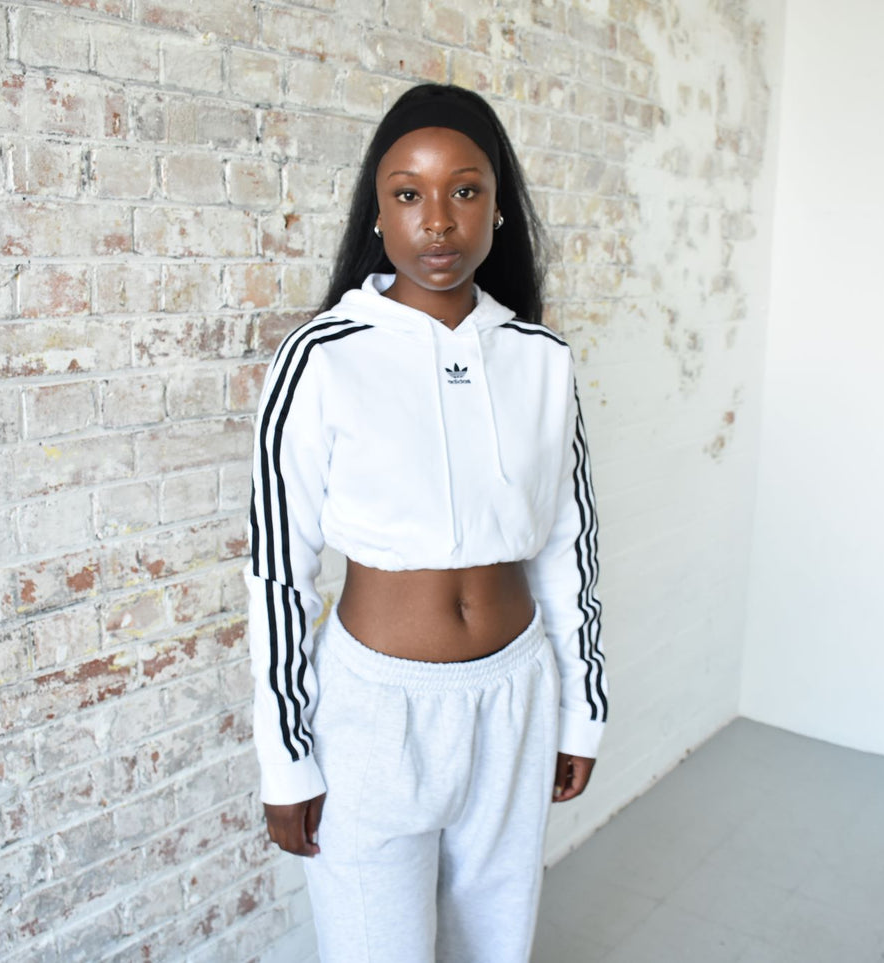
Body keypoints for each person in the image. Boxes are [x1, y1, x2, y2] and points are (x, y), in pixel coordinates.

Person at [244, 83, 607, 962]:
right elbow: (277, 572)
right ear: (376, 212)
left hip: (516, 698)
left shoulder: (540, 360)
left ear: (499, 210)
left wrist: (582, 709)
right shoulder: (321, 358)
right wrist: (286, 756)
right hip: (374, 713)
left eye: (465, 190)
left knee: (495, 943)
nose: (436, 221)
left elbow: (570, 546)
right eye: (407, 193)